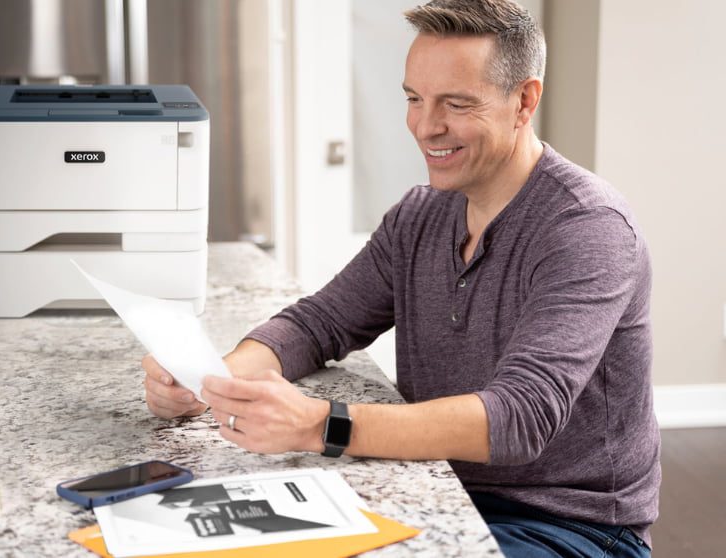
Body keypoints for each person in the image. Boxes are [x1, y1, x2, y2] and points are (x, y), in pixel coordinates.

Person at [142, 1, 659, 556]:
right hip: (432, 486)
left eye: (456, 104)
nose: (425, 125)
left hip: (567, 526)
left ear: (524, 101)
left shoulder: (587, 229)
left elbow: (521, 416)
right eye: (414, 98)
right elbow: (320, 323)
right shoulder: (419, 216)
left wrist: (321, 425)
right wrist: (214, 380)